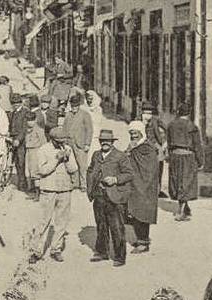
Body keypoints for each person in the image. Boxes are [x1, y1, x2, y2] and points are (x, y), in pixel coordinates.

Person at [30, 126, 79, 263]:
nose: (62, 143)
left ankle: (56, 249)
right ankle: (36, 251)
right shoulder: (43, 150)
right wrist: (56, 159)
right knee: (43, 221)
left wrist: (68, 158)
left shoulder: (67, 149)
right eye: (59, 141)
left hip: (65, 189)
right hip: (48, 190)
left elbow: (74, 169)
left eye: (63, 140)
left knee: (61, 221)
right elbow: (42, 170)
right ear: (52, 140)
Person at [87, 128, 133, 267]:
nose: (104, 143)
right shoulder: (96, 155)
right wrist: (91, 184)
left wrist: (115, 179)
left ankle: (119, 257)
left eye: (107, 141)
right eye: (102, 141)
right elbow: (90, 169)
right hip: (99, 195)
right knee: (101, 225)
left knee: (117, 227)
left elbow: (129, 174)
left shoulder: (120, 156)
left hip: (115, 196)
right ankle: (102, 252)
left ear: (112, 142)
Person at [166, 103, 204, 221]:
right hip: (188, 156)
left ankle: (185, 207)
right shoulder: (192, 126)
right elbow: (197, 145)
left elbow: (168, 141)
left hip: (175, 155)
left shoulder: (171, 125)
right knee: (186, 181)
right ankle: (181, 211)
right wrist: (200, 160)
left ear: (178, 112)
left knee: (177, 180)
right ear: (189, 113)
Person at [126, 121, 160, 253]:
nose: (133, 136)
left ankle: (144, 242)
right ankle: (140, 238)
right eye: (131, 133)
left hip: (145, 186)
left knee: (142, 213)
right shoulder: (135, 146)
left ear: (141, 133)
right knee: (134, 213)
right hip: (135, 184)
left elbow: (149, 169)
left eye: (135, 133)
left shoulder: (147, 148)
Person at [62, 92, 94, 191]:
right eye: (72, 106)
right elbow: (64, 129)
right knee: (72, 164)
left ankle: (83, 184)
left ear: (79, 105)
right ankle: (74, 183)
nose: (74, 107)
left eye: (76, 106)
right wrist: (64, 143)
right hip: (70, 143)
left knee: (82, 165)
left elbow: (89, 130)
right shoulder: (68, 115)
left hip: (80, 143)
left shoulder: (85, 114)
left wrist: (87, 144)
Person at [141, 103, 167, 197]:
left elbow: (166, 129)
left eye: (149, 113)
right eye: (145, 112)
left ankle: (157, 190)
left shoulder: (156, 120)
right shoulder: (137, 121)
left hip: (156, 146)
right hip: (142, 147)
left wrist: (164, 142)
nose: (147, 115)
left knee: (159, 168)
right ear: (142, 112)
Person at [24, 95, 47, 200]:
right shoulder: (27, 130)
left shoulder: (39, 130)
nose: (30, 122)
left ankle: (38, 194)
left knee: (36, 173)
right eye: (28, 120)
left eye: (32, 120)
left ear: (35, 120)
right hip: (28, 152)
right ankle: (32, 192)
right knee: (28, 172)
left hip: (36, 152)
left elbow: (43, 143)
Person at [8, 93, 30, 191]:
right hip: (13, 140)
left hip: (21, 141)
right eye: (13, 103)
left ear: (21, 102)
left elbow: (25, 128)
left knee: (21, 163)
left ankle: (23, 184)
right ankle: (20, 182)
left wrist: (18, 139)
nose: (15, 104)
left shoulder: (25, 112)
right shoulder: (13, 113)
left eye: (17, 102)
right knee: (16, 162)